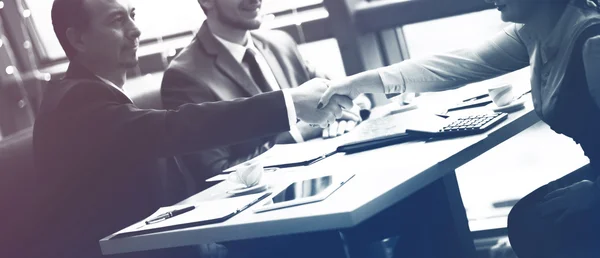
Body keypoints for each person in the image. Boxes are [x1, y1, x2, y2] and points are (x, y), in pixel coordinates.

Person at [25, 0, 350, 258]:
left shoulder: (94, 94)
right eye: (116, 20)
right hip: (138, 251)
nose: (136, 30)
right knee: (305, 240)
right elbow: (173, 128)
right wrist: (287, 104)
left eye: (133, 14)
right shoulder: (77, 104)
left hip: (158, 239)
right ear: (77, 38)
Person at [318, 0, 600, 257]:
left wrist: (594, 192)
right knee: (529, 222)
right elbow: (460, 64)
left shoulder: (592, 40)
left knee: (534, 226)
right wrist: (358, 83)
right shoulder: (534, 34)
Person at [161, 0, 370, 184]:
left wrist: (345, 115)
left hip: (332, 176)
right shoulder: (184, 77)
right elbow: (215, 175)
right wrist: (298, 133)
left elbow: (346, 95)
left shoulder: (281, 42)